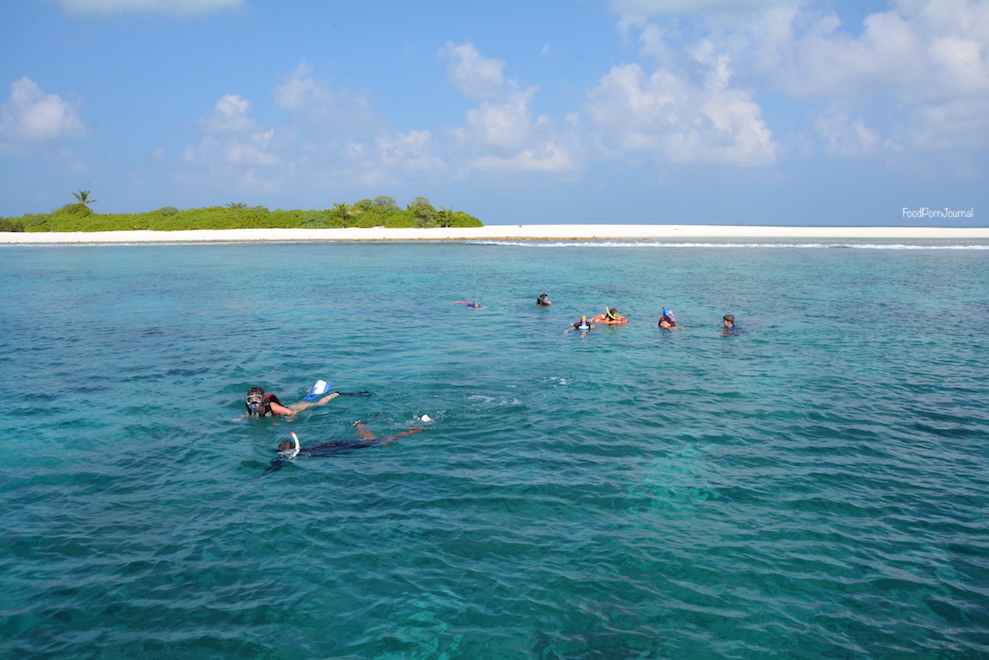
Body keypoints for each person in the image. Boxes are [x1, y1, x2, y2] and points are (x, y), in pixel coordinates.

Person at [262, 420, 424, 475]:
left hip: (341, 446)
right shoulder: (305, 451)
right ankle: (360, 425)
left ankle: (411, 431)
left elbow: (275, 465)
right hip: (337, 443)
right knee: (371, 441)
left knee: (380, 442)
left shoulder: (303, 455)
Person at [244, 386, 340, 418]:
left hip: (292, 409)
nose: (253, 403)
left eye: (257, 399)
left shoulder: (272, 406)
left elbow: (291, 413)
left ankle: (334, 394)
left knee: (318, 404)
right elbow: (246, 415)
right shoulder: (251, 411)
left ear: (263, 399)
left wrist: (290, 419)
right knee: (304, 401)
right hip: (278, 415)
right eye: (251, 400)